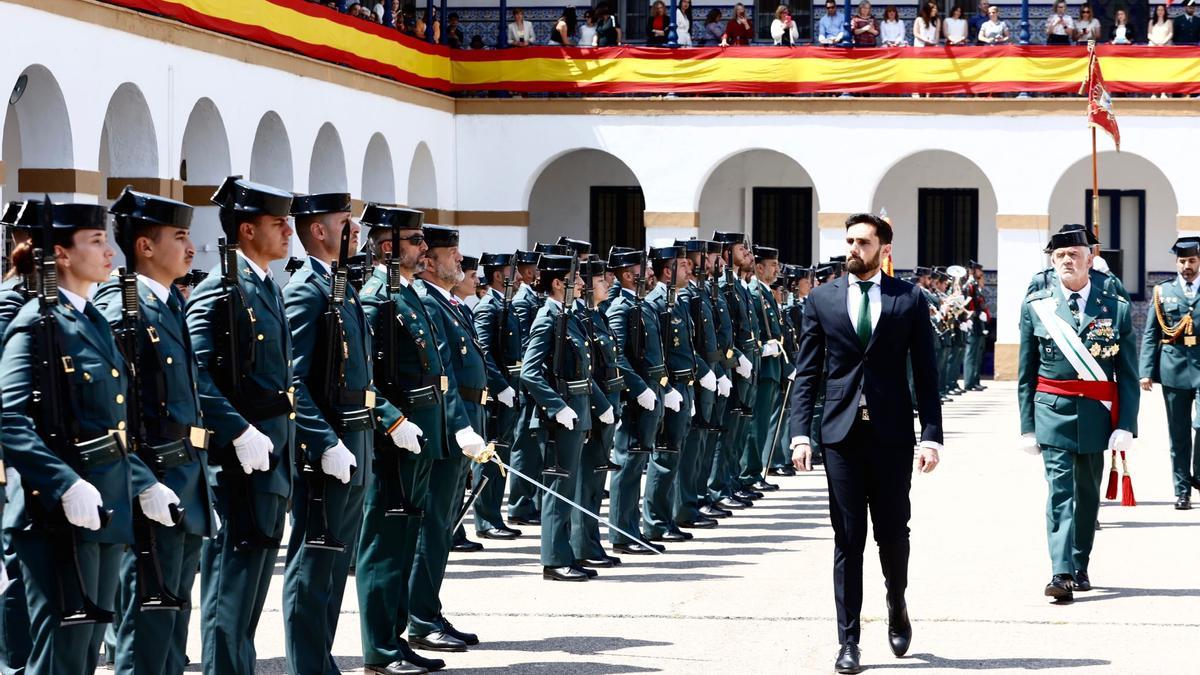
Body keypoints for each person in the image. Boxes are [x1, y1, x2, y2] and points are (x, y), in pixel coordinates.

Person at [0, 200, 179, 675]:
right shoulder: (37, 323)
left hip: (105, 507)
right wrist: (64, 484)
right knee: (60, 655)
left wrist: (144, 483)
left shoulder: (92, 321)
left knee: (84, 653)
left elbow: (111, 429)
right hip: (56, 515)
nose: (109, 252)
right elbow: (10, 419)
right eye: (96, 241)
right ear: (60, 253)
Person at [790, 213, 943, 675]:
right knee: (848, 539)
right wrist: (801, 433)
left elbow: (926, 373)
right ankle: (849, 641)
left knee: (893, 534)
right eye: (850, 241)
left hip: (892, 435)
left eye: (863, 242)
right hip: (840, 437)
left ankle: (897, 603)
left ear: (884, 249)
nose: (853, 249)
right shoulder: (822, 299)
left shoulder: (908, 298)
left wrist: (931, 436)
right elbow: (808, 372)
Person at [97, 189, 213, 675]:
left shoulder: (167, 304)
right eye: (180, 236)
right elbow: (111, 414)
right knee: (144, 630)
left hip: (184, 477)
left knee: (170, 625)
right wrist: (142, 484)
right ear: (145, 246)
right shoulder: (123, 308)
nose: (191, 247)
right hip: (153, 482)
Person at [188, 177, 295, 674]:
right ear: (247, 230)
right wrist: (237, 430)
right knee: (230, 587)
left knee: (251, 588)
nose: (289, 231)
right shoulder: (220, 289)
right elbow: (196, 375)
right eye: (278, 223)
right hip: (239, 459)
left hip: (271, 453)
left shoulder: (265, 285)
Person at [278, 193, 380, 674]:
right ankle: (307, 666)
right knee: (313, 564)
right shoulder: (305, 289)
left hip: (354, 441)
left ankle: (321, 661)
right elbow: (293, 380)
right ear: (319, 231)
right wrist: (323, 442)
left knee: (335, 566)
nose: (355, 230)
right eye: (345, 223)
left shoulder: (337, 284)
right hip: (328, 448)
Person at [1017, 226, 1138, 604]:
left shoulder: (1115, 307)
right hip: (1052, 411)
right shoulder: (1037, 305)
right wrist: (1026, 427)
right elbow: (1026, 371)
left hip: (1096, 413)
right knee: (1060, 491)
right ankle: (1061, 571)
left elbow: (1127, 373)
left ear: (1090, 258)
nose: (1067, 261)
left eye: (1074, 254)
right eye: (1060, 256)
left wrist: (1126, 424)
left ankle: (1080, 563)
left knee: (1087, 494)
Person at [356, 205, 449, 675]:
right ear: (389, 247)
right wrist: (392, 421)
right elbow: (363, 378)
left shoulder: (407, 294)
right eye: (415, 240)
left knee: (405, 537)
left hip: (420, 436)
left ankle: (395, 640)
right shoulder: (376, 299)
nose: (424, 247)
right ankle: (379, 648)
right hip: (395, 440)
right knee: (384, 543)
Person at [408, 225, 488, 650]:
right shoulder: (429, 303)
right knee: (433, 525)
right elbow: (444, 378)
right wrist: (460, 427)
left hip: (465, 419)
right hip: (447, 427)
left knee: (443, 525)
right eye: (451, 252)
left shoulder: (451, 304)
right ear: (429, 261)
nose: (459, 258)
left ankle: (430, 610)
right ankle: (421, 619)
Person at [520, 254, 611, 581]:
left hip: (577, 413)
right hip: (559, 419)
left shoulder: (567, 316)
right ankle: (554, 560)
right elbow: (530, 373)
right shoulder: (547, 317)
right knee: (557, 489)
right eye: (577, 278)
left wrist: (600, 404)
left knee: (567, 487)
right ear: (559, 283)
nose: (583, 283)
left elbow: (582, 371)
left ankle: (566, 554)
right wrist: (557, 407)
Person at [605, 248, 667, 555]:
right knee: (627, 464)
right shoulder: (621, 308)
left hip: (652, 391)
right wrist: (640, 389)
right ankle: (621, 533)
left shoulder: (642, 305)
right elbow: (617, 356)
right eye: (644, 269)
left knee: (638, 461)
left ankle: (632, 529)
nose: (651, 273)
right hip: (635, 399)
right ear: (629, 275)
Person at [1139, 237, 1200, 510]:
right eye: (1183, 261)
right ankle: (1182, 490)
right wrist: (1146, 371)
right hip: (1173, 367)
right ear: (1176, 263)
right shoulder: (1163, 292)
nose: (1187, 266)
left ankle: (1198, 474)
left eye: (1192, 261)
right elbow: (1151, 333)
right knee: (1178, 433)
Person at [641, 246, 696, 544]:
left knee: (674, 456)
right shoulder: (657, 303)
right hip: (670, 388)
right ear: (667, 271)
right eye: (683, 265)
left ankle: (667, 518)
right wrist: (666, 389)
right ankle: (655, 523)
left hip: (684, 387)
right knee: (663, 457)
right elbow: (655, 354)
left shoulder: (678, 300)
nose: (689, 269)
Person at [572, 258, 624, 568]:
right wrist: (602, 405)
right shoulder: (580, 318)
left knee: (595, 483)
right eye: (603, 281)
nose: (609, 284)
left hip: (606, 408)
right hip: (593, 409)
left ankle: (591, 544)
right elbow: (584, 372)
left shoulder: (597, 315)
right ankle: (582, 546)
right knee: (586, 483)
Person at [471, 253, 523, 539]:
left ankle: (494, 516)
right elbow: (483, 352)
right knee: (489, 457)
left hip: (510, 391)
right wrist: (500, 386)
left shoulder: (505, 305)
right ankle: (486, 520)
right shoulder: (488, 308)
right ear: (497, 276)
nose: (518, 277)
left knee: (501, 455)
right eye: (511, 272)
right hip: (496, 395)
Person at [707, 232, 759, 511]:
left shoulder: (737, 285)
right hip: (733, 365)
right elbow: (724, 334)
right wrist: (735, 359)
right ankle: (718, 487)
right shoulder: (724, 287)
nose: (747, 254)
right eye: (741, 249)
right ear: (728, 254)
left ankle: (730, 482)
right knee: (726, 430)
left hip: (744, 364)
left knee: (737, 428)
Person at [674, 240, 722, 530]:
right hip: (694, 376)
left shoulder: (695, 293)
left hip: (706, 374)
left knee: (701, 442)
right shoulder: (685, 296)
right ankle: (684, 506)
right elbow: (687, 347)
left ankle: (694, 500)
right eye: (709, 258)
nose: (718, 263)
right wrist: (704, 371)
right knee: (690, 446)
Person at [743, 246, 791, 494]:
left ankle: (754, 472)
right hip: (762, 368)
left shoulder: (765, 293)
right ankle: (748, 473)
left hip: (772, 367)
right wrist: (762, 348)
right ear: (759, 268)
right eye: (772, 265)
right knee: (756, 425)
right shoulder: (754, 293)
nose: (777, 269)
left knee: (762, 424)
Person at [962, 261, 989, 392]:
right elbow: (967, 304)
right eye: (979, 270)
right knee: (971, 353)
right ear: (973, 271)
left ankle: (975, 380)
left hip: (979, 323)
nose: (981, 273)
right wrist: (976, 314)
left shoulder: (976, 285)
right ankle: (969, 382)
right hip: (972, 322)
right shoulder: (969, 285)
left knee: (977, 354)